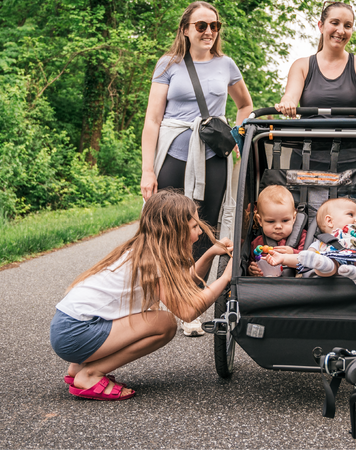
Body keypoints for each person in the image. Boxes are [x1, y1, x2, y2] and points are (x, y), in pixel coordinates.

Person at [49, 190, 233, 400]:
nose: (199, 232)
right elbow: (188, 311)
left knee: (160, 319)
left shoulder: (147, 250)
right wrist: (225, 278)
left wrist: (210, 254)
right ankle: (91, 373)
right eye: (194, 227)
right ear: (175, 231)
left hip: (68, 328)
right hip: (75, 332)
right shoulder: (154, 261)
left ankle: (80, 367)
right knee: (164, 324)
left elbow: (183, 284)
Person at [139, 1, 252, 336]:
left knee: (204, 229)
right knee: (164, 226)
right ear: (186, 29)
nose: (208, 32)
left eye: (214, 26)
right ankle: (155, 295)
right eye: (201, 26)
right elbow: (153, 119)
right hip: (174, 153)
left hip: (213, 157)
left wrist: (235, 137)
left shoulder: (226, 64)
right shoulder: (168, 64)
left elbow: (245, 105)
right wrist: (147, 170)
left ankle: (191, 304)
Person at [274, 1, 356, 119]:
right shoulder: (301, 66)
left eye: (347, 26)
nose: (341, 31)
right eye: (335, 23)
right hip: (309, 136)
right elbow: (290, 97)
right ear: (321, 26)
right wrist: (286, 103)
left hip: (352, 136)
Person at [267, 198, 356, 287]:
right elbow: (302, 258)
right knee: (320, 259)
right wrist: (283, 258)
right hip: (334, 264)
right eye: (351, 215)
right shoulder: (321, 242)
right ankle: (323, 265)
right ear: (329, 221)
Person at [248, 185, 307, 276]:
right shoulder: (257, 243)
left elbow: (311, 259)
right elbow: (251, 261)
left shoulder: (303, 237)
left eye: (285, 220)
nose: (278, 226)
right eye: (271, 221)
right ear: (260, 220)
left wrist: (293, 253)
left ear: (294, 218)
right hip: (268, 286)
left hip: (297, 284)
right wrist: (252, 269)